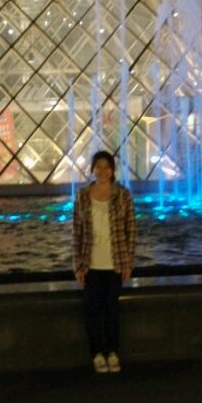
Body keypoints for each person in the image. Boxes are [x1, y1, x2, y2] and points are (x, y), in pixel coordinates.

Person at [72, 150, 135, 374]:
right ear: (92, 170)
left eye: (106, 166)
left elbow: (131, 230)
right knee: (92, 312)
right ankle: (97, 353)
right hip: (90, 263)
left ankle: (113, 352)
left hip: (115, 262)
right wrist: (77, 265)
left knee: (111, 312)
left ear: (112, 170)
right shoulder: (82, 195)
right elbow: (76, 232)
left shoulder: (123, 195)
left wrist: (128, 263)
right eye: (98, 166)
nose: (102, 170)